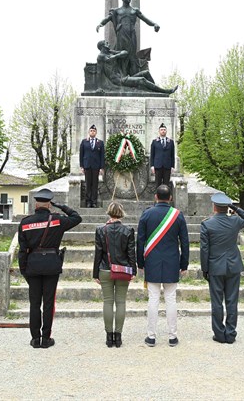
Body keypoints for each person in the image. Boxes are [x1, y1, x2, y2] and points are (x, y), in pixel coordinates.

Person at [18, 188, 82, 349]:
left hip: (32, 266)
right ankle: (46, 338)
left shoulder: (25, 223)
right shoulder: (57, 220)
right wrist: (62, 206)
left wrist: (23, 269)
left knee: (34, 303)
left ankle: (35, 339)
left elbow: (22, 250)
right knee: (48, 303)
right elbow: (77, 217)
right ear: (49, 204)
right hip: (51, 266)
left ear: (35, 203)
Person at [137, 184, 189, 347]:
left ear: (155, 197)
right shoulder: (178, 215)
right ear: (171, 198)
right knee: (171, 299)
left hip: (152, 261)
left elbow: (140, 241)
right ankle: (172, 336)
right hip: (172, 261)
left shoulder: (147, 214)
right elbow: (185, 242)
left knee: (153, 299)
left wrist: (140, 262)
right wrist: (184, 264)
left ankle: (151, 336)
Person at [200, 192, 244, 344]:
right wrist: (234, 207)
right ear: (226, 207)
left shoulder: (207, 224)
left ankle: (219, 333)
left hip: (215, 267)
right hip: (233, 266)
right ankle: (230, 334)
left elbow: (205, 250)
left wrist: (205, 269)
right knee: (232, 301)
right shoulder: (235, 221)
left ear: (214, 207)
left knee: (217, 302)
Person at [93, 201, 136, 348]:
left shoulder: (100, 230)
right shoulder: (128, 230)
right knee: (121, 302)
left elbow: (98, 253)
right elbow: (131, 253)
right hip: (123, 270)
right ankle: (118, 336)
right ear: (122, 213)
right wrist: (133, 271)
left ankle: (108, 336)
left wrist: (95, 273)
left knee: (108, 302)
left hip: (105, 269)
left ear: (108, 212)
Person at [96, 0, 160, 76]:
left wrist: (154, 24)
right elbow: (107, 18)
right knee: (122, 55)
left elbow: (145, 19)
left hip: (132, 35)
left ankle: (133, 77)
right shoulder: (117, 11)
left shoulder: (134, 10)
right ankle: (122, 76)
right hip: (121, 35)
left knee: (132, 56)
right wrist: (100, 24)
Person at [95, 41, 178, 94]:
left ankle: (154, 91)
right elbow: (99, 72)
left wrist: (115, 55)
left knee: (146, 72)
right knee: (142, 79)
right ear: (103, 46)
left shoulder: (110, 53)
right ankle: (165, 91)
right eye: (106, 43)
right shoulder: (101, 57)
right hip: (119, 80)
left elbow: (125, 52)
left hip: (124, 77)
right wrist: (99, 88)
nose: (109, 44)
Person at [79, 124, 105, 208]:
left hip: (96, 167)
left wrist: (101, 167)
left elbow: (102, 156)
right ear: (89, 132)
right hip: (87, 166)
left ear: (96, 132)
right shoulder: (84, 142)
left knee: (95, 184)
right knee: (88, 184)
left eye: (94, 131)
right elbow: (81, 154)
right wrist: (81, 166)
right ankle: (88, 202)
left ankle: (94, 202)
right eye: (91, 131)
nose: (92, 132)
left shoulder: (100, 143)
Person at [149, 123, 176, 188]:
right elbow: (152, 155)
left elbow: (172, 155)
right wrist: (152, 166)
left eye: (164, 130)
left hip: (167, 166)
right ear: (159, 131)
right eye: (161, 130)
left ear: (166, 131)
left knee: (166, 184)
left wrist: (172, 166)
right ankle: (158, 197)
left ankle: (165, 197)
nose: (163, 131)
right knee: (157, 184)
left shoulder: (171, 142)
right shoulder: (154, 142)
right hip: (158, 166)